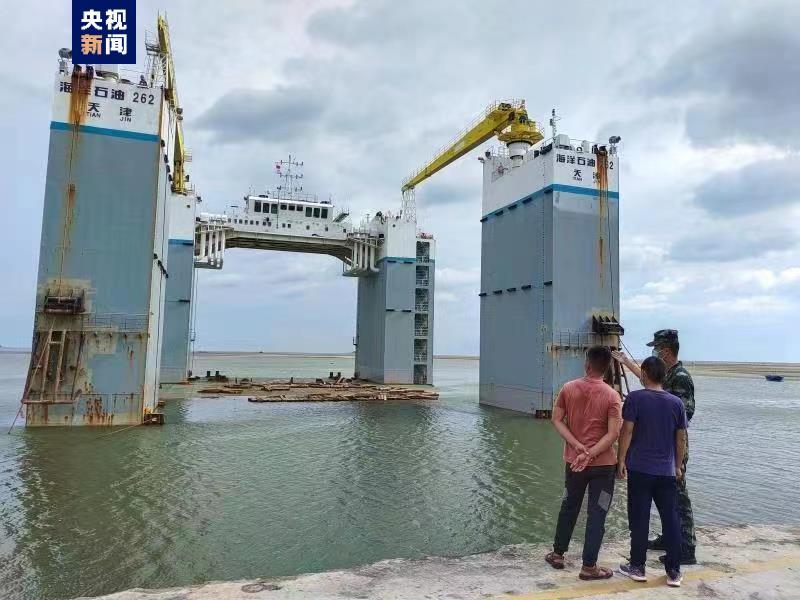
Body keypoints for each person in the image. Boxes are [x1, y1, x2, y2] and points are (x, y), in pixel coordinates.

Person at [613, 329, 697, 565]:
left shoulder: (680, 376)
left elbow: (684, 414)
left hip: (672, 449)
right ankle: (669, 539)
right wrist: (626, 361)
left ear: (666, 351)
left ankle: (686, 548)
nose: (654, 352)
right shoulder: (668, 374)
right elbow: (649, 381)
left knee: (678, 499)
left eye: (656, 348)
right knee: (667, 500)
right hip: (662, 447)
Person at [546, 346, 622, 580]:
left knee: (569, 506)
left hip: (574, 464)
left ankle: (558, 554)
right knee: (598, 512)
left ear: (587, 365)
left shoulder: (568, 388)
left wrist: (577, 446)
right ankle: (589, 566)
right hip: (604, 466)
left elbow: (556, 420)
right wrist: (590, 453)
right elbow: (613, 434)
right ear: (607, 368)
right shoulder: (612, 396)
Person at [617, 356, 687, 587]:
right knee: (671, 519)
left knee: (639, 519)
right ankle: (674, 572)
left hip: (639, 469)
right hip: (667, 472)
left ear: (644, 373)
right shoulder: (676, 403)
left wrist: (621, 460)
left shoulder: (636, 398)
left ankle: (638, 567)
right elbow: (681, 439)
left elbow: (626, 432)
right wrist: (677, 465)